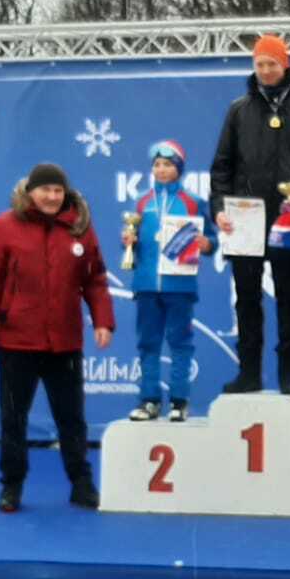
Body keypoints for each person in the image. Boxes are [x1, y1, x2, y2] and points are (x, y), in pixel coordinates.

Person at [0, 163, 115, 512]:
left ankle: (81, 484)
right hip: (16, 342)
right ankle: (12, 486)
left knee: (72, 419)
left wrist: (103, 321)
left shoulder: (80, 228)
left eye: (58, 190)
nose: (52, 197)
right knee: (13, 420)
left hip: (64, 343)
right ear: (30, 192)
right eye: (45, 190)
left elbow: (95, 280)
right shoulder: (3, 227)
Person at [210, 33, 290, 395]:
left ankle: (288, 371)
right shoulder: (239, 110)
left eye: (271, 64)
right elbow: (222, 168)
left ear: (285, 65)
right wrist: (219, 209)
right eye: (259, 64)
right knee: (246, 299)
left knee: (288, 297)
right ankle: (249, 372)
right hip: (245, 220)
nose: (265, 70)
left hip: (287, 220)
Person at [120, 141, 218, 423]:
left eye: (167, 164)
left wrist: (207, 244)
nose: (161, 170)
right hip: (146, 285)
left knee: (180, 343)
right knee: (148, 344)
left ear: (179, 168)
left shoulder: (193, 202)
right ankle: (149, 400)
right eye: (157, 165)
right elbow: (132, 242)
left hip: (180, 285)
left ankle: (179, 401)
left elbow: (212, 239)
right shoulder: (142, 202)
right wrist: (128, 241)